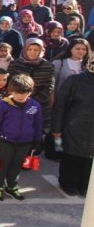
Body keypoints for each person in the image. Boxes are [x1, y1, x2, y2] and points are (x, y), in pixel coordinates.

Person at [0, 74, 43, 202]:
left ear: (30, 91)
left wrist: (37, 142)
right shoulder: (3, 104)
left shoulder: (35, 106)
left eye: (25, 93)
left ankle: (12, 186)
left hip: (25, 142)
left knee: (17, 165)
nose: (21, 96)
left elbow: (38, 125)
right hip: (5, 141)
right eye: (17, 93)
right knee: (2, 165)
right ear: (11, 91)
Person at [51, 53, 94, 197]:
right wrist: (56, 128)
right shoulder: (75, 80)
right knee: (72, 156)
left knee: (90, 159)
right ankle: (68, 183)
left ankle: (85, 184)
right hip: (74, 126)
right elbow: (60, 106)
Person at [7, 38, 56, 159]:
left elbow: (49, 85)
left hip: (39, 103)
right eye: (30, 49)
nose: (33, 52)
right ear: (25, 50)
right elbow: (10, 82)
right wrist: (20, 97)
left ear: (42, 51)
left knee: (35, 130)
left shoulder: (48, 66)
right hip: (18, 101)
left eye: (36, 50)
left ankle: (30, 156)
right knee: (17, 128)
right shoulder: (15, 64)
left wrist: (35, 100)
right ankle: (15, 156)